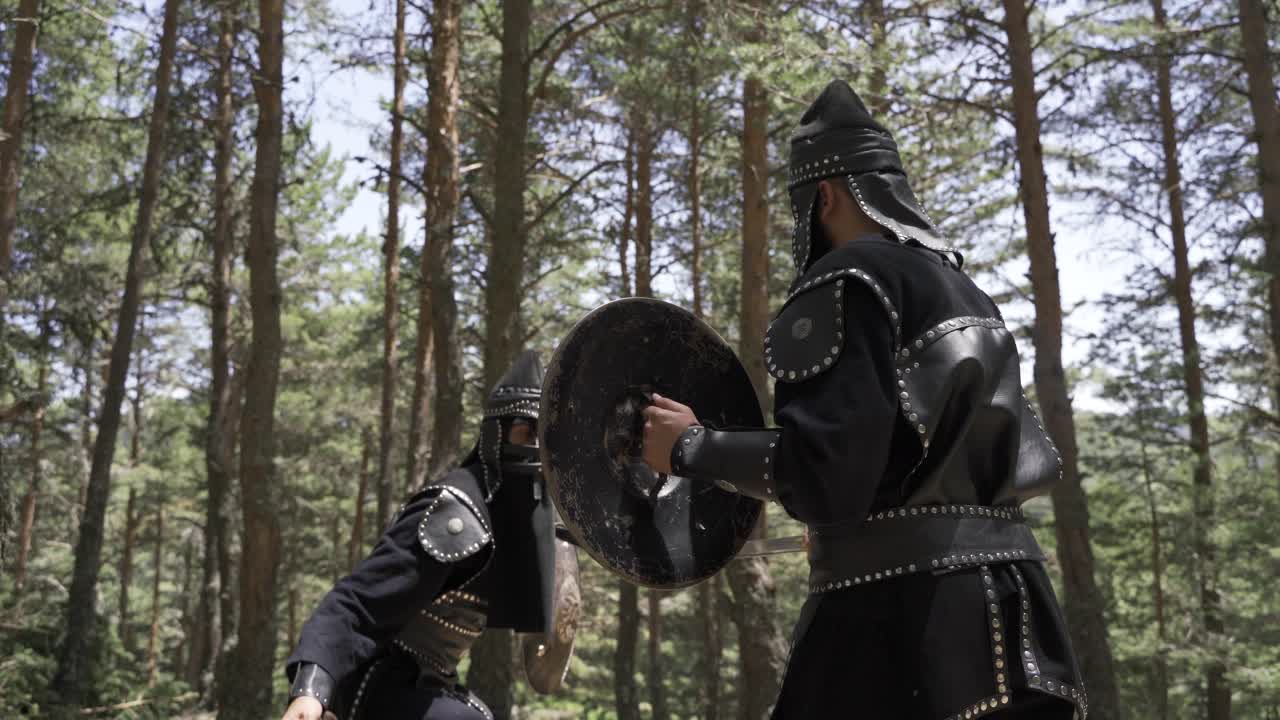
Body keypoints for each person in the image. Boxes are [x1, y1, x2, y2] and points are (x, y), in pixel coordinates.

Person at [641, 80, 1087, 719]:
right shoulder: (967, 292)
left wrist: (690, 447)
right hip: (1022, 620)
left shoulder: (847, 279)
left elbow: (828, 474)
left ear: (823, 195)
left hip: (898, 631)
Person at [281, 351, 555, 720]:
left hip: (430, 682)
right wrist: (311, 691)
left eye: (545, 438)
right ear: (496, 435)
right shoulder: (456, 516)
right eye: (526, 432)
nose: (536, 450)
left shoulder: (509, 516)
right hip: (374, 681)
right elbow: (356, 603)